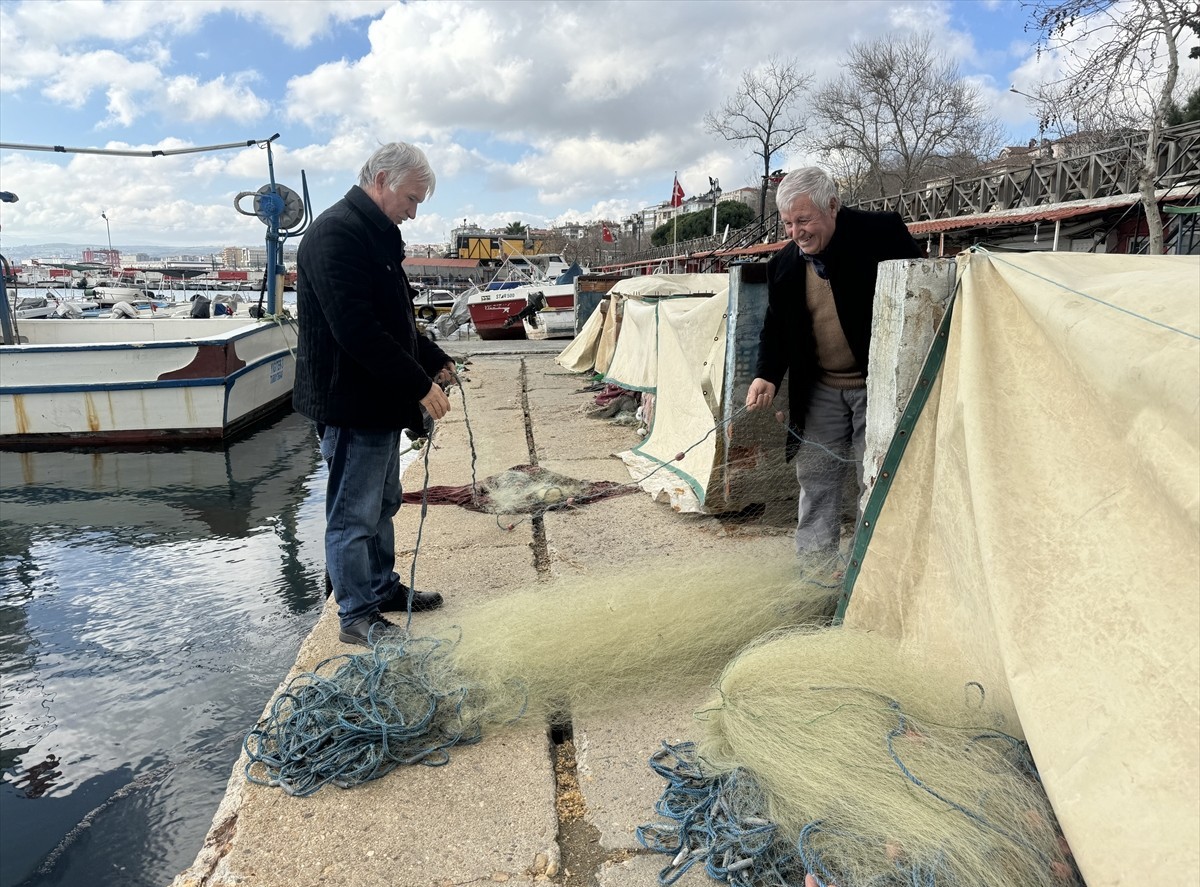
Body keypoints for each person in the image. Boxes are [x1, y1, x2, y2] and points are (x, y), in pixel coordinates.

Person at [293, 141, 457, 647]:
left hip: (378, 403)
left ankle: (381, 588)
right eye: (411, 199)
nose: (413, 212)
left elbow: (396, 322)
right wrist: (420, 385)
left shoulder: (375, 234)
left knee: (383, 502)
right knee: (353, 513)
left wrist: (434, 359)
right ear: (382, 181)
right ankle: (356, 615)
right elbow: (357, 331)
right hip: (351, 403)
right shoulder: (335, 235)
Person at [745, 166, 921, 559]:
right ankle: (815, 573)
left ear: (833, 207)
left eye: (804, 219)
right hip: (821, 388)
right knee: (816, 479)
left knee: (874, 480)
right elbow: (775, 330)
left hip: (877, 388)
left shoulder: (882, 233)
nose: (796, 232)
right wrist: (766, 376)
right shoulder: (784, 265)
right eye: (788, 223)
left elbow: (924, 290)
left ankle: (866, 574)